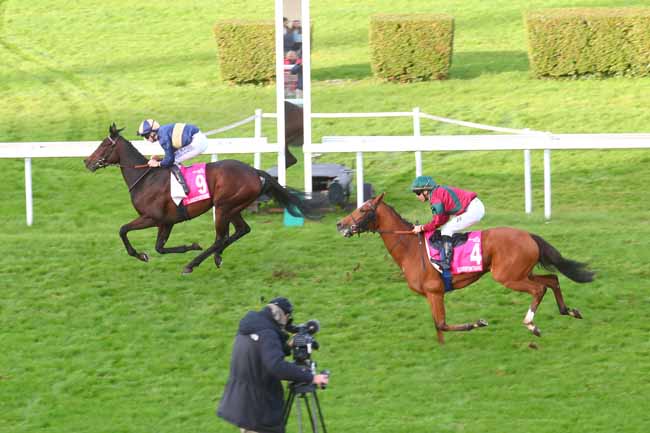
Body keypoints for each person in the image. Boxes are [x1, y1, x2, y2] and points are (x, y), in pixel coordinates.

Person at [217, 297, 329, 433]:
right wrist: (311, 377)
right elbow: (276, 366)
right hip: (258, 410)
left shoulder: (254, 327)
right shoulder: (268, 334)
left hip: (245, 404)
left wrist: (288, 346)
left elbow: (264, 354)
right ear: (284, 316)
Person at [410, 176, 485, 288]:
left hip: (473, 209)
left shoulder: (435, 198)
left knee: (447, 230)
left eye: (417, 193)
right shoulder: (436, 194)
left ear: (425, 191)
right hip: (474, 207)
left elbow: (438, 221)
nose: (417, 196)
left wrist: (421, 228)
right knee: (447, 228)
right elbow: (443, 219)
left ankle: (446, 262)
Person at [136, 119, 208, 195]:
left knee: (173, 161)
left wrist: (157, 164)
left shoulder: (162, 137)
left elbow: (170, 159)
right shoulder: (163, 131)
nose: (147, 139)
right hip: (197, 138)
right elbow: (170, 155)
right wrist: (160, 159)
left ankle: (184, 188)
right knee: (174, 159)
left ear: (153, 133)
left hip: (197, 142)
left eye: (146, 136)